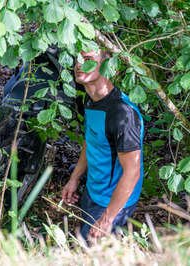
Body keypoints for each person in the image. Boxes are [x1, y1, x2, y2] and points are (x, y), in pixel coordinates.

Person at [62, 49, 144, 240]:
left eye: (88, 59)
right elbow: (92, 140)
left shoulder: (122, 114)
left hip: (113, 203)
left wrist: (107, 219)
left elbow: (132, 172)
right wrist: (75, 178)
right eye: (78, 58)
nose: (79, 64)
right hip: (93, 191)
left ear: (107, 66)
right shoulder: (89, 100)